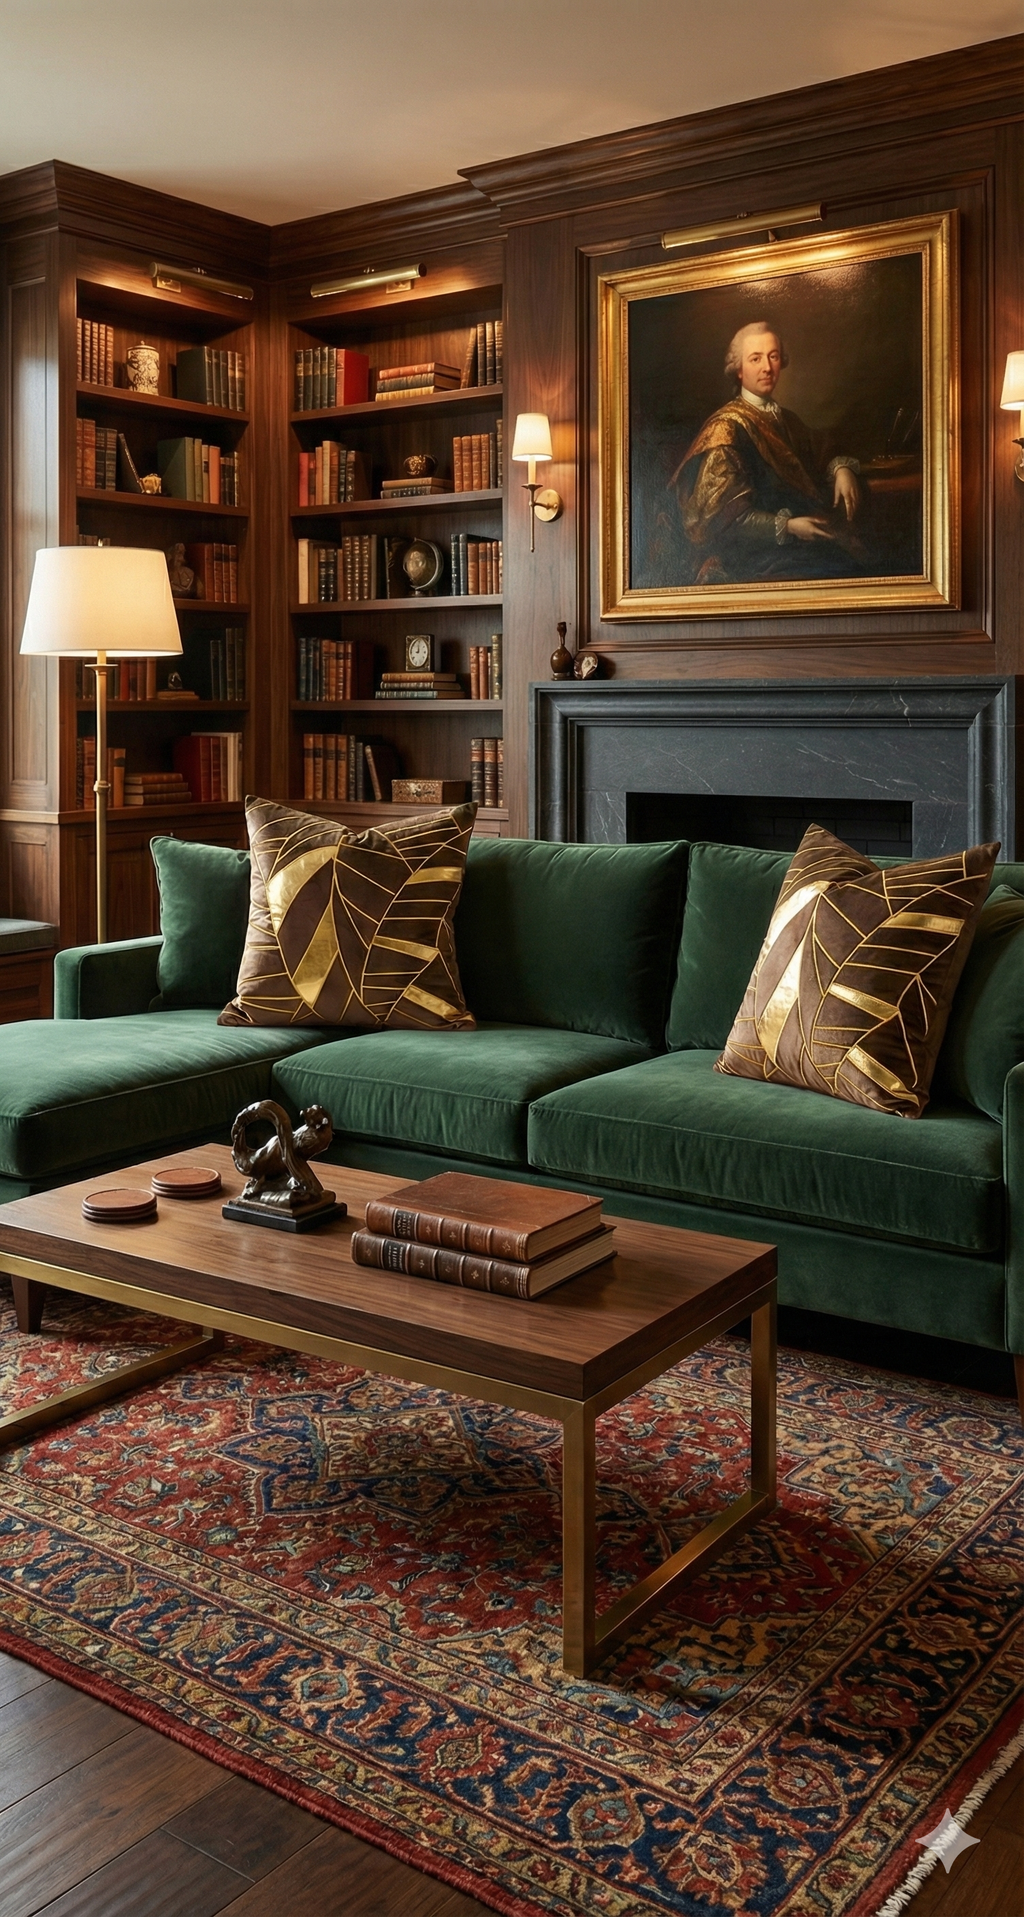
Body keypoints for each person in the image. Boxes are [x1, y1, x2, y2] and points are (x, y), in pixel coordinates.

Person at [671, 322, 869, 584]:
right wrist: (788, 527)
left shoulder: (785, 418)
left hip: (799, 545)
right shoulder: (726, 428)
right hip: (755, 556)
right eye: (755, 358)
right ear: (739, 370)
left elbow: (822, 449)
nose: (767, 367)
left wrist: (841, 468)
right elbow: (725, 518)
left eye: (773, 356)